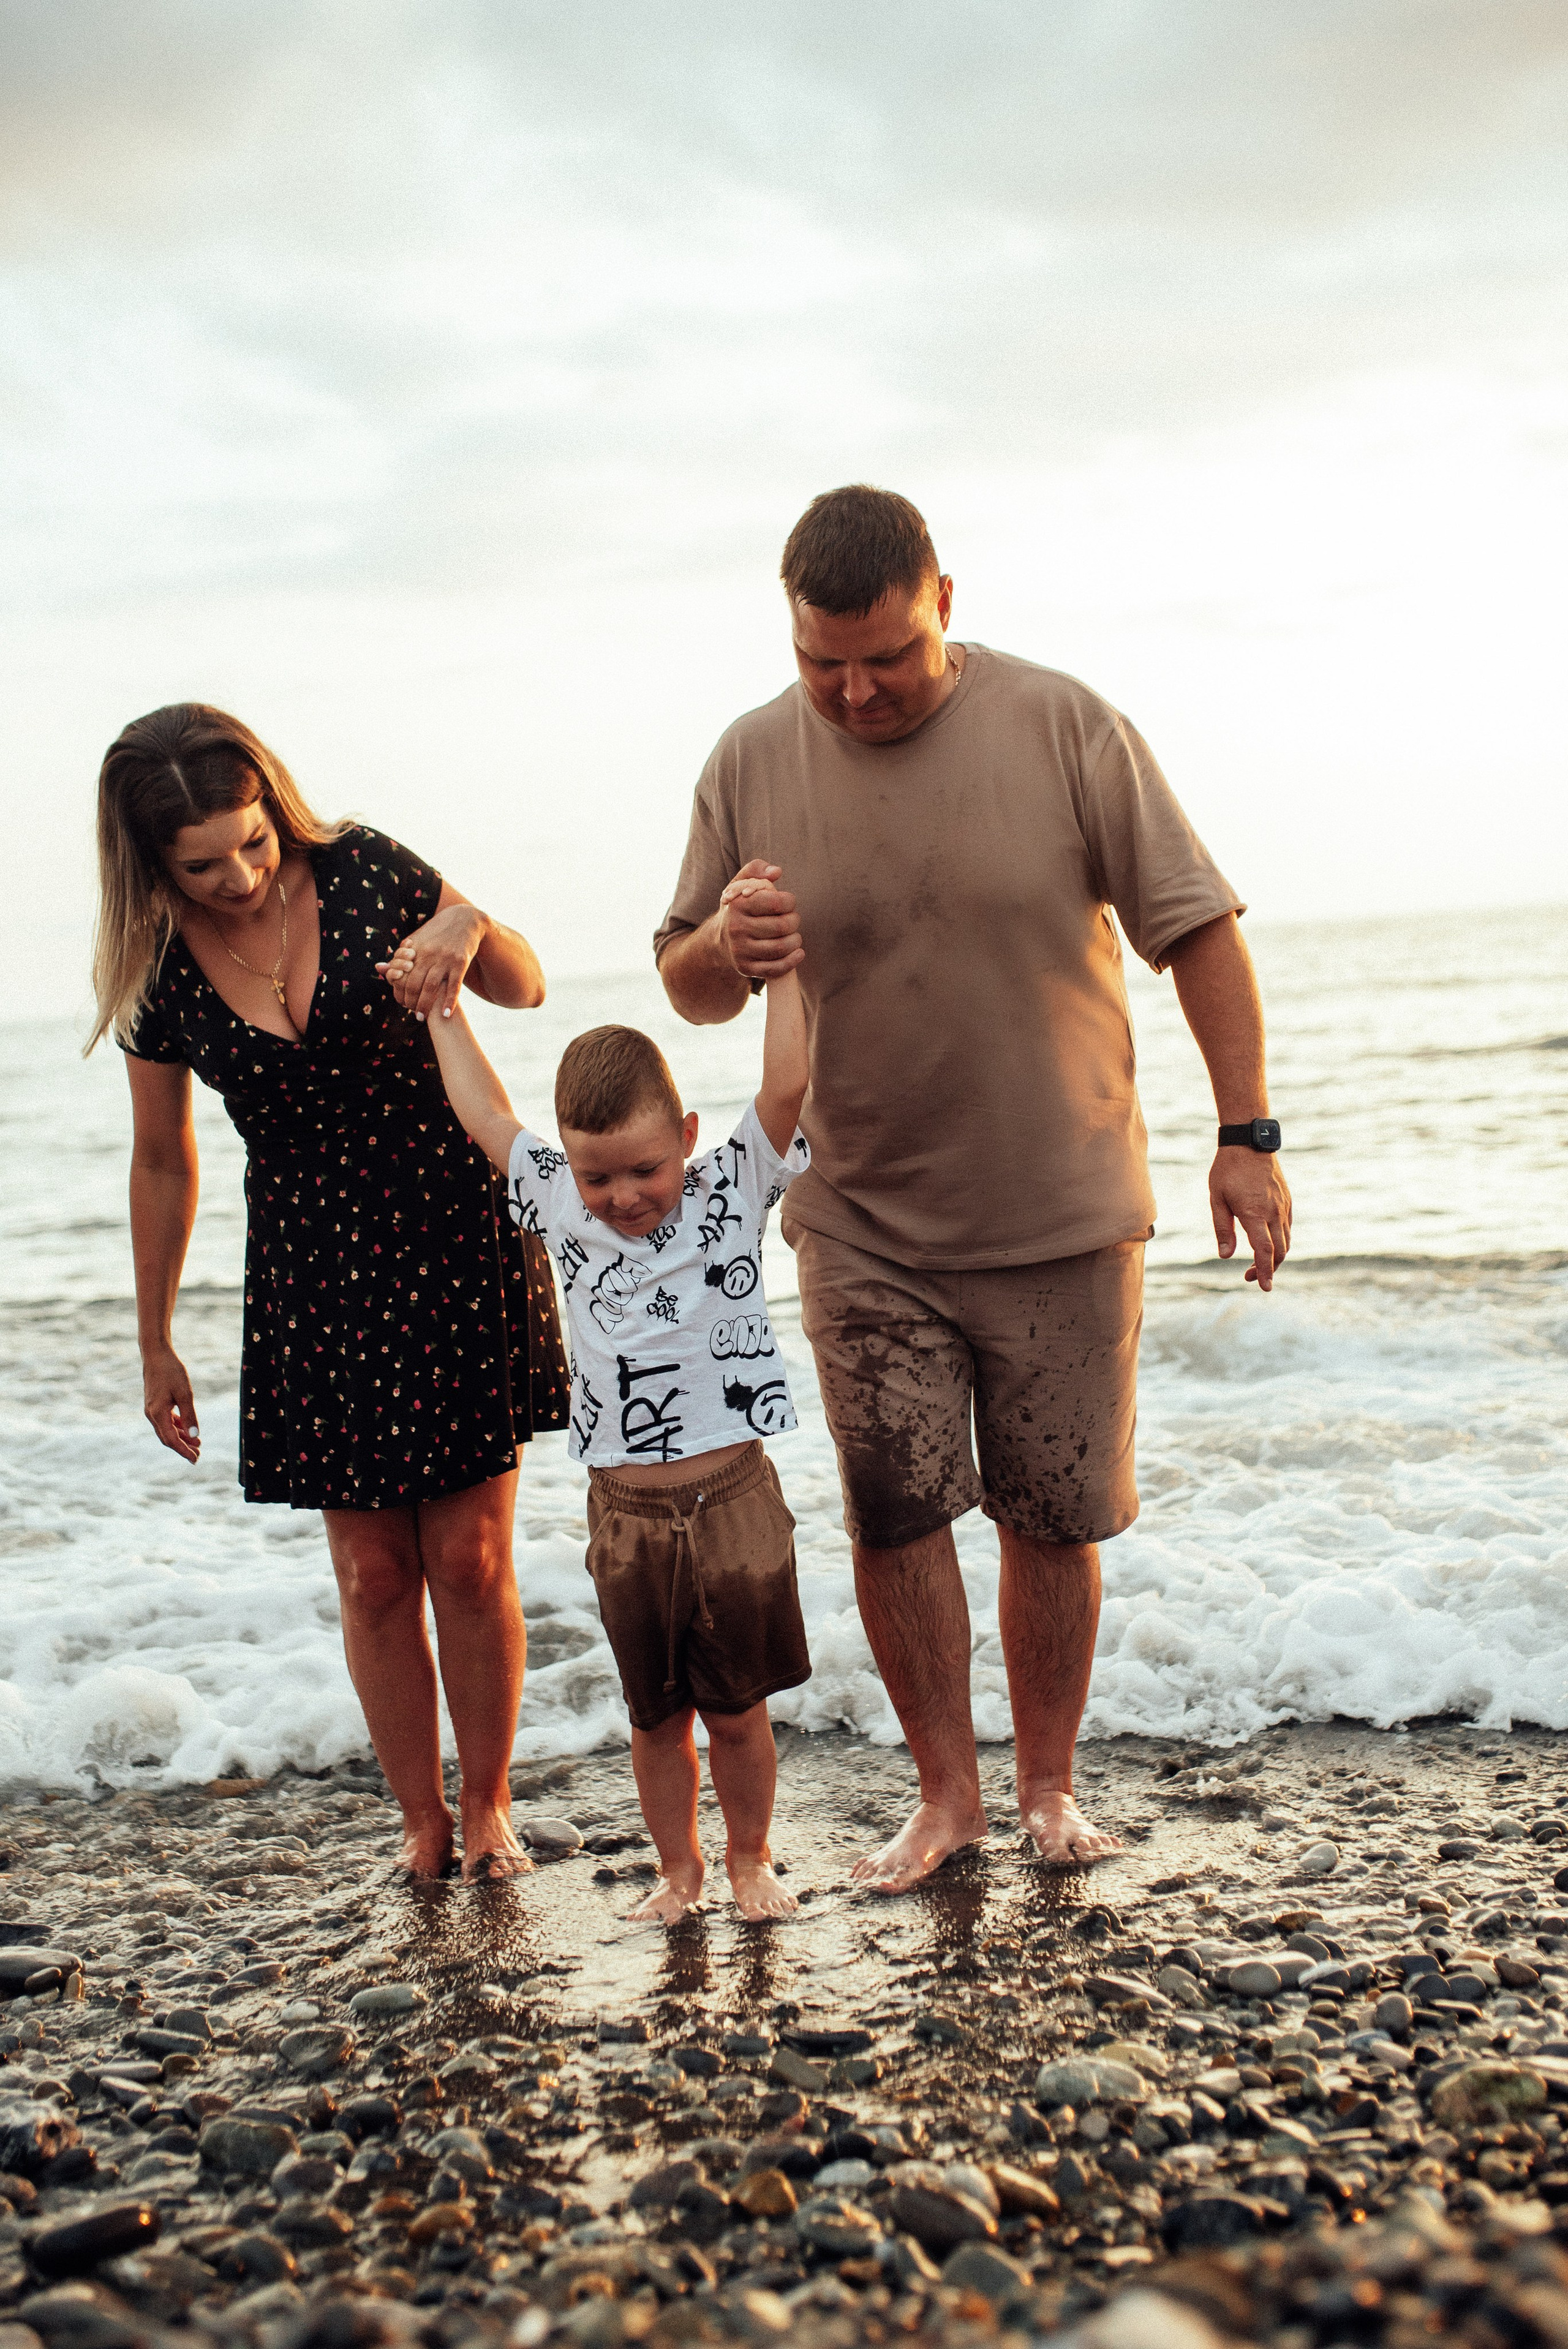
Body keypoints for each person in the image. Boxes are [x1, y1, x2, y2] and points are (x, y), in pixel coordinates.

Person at [654, 484, 1293, 1893]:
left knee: (1050, 1517)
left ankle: (1049, 1787)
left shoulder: (1066, 725)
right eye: (824, 661)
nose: (856, 688)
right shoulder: (751, 756)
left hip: (1060, 1208)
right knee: (893, 1510)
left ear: (945, 598)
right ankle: (946, 1794)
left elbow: (1196, 930)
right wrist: (726, 940)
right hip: (859, 1217)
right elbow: (685, 982)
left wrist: (1243, 1131)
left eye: (884, 654)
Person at [90, 703, 570, 1882]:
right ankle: (420, 1818)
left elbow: (526, 983)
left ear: (274, 807)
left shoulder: (365, 869)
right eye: (203, 865)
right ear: (151, 862)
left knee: (468, 1559)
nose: (244, 877)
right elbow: (163, 1160)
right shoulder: (158, 974)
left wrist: (464, 920)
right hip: (315, 1276)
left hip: (454, 1233)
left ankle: (493, 1801)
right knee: (369, 1572)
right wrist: (155, 1341)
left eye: (254, 843)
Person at [407, 914, 811, 1923]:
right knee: (656, 1714)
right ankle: (679, 1872)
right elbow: (488, 1120)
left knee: (736, 1708)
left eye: (644, 1169)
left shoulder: (730, 1183)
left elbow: (789, 1086)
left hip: (734, 1499)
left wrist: (785, 974)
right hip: (625, 1509)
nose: (624, 1196)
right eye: (599, 1176)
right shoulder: (559, 1206)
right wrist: (443, 1014)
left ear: (685, 1139)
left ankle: (752, 1859)